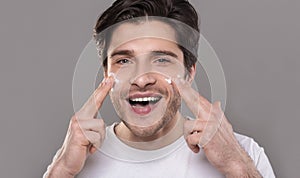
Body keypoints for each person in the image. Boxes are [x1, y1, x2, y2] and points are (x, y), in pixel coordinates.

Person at [44, 0, 275, 177]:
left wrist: (235, 166)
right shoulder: (73, 160)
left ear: (189, 72)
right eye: (124, 61)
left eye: (162, 60)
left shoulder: (244, 153)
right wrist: (62, 170)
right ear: (106, 74)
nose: (141, 79)